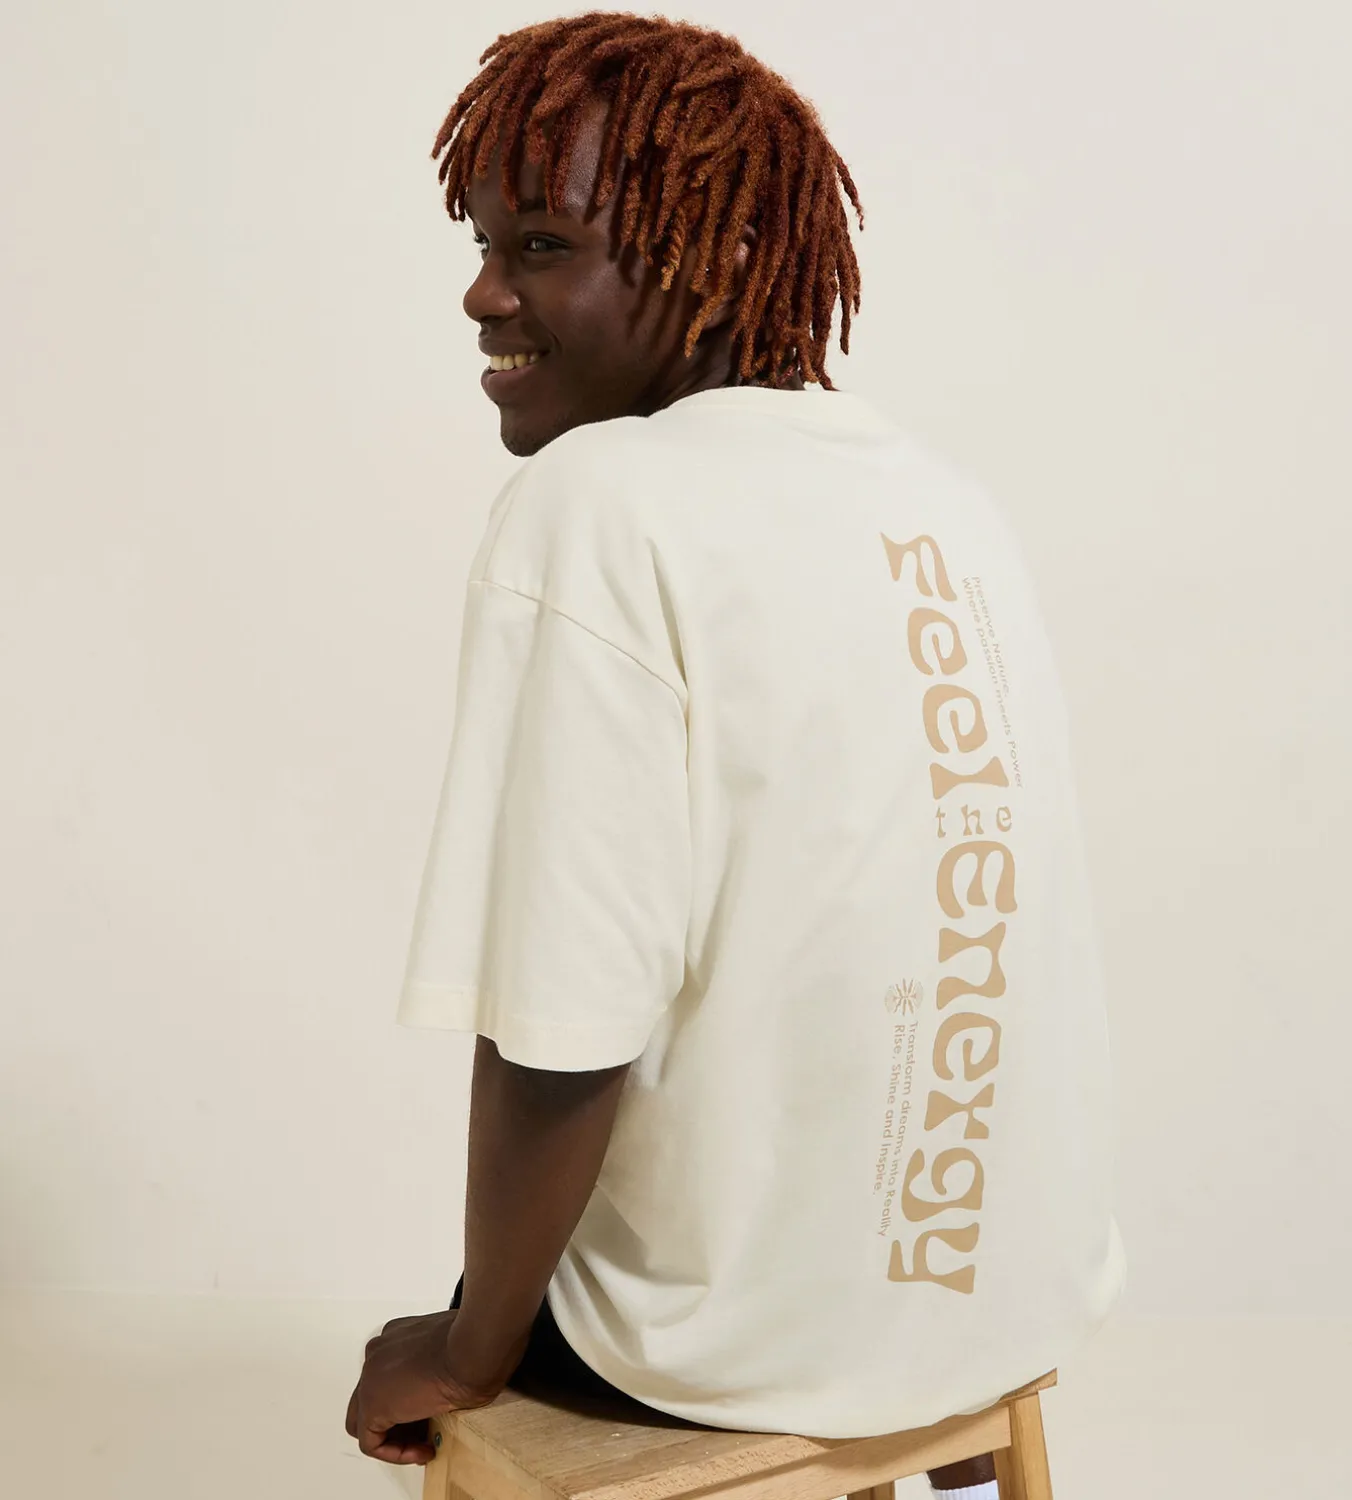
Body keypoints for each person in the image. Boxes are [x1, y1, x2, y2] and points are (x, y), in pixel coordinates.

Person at [345, 11, 1125, 1492]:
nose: (483, 291)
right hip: (1014, 1298)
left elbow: (561, 1023)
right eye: (487, 242)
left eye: (541, 247)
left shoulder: (602, 503)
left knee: (470, 1318)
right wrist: (947, 1361)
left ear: (714, 260)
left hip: (734, 1349)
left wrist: (469, 1343)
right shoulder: (940, 497)